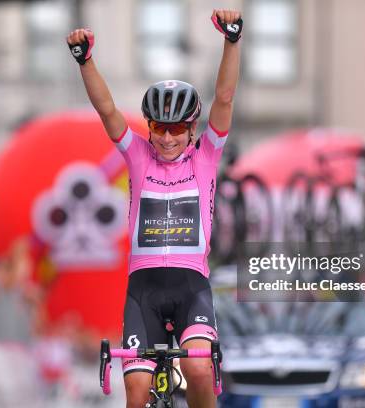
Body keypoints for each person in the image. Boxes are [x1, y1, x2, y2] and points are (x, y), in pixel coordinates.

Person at [67, 9, 242, 408]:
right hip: (143, 290)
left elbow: (226, 96)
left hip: (190, 287)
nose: (167, 138)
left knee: (198, 370)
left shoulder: (206, 157)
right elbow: (107, 110)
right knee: (137, 394)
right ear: (149, 127)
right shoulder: (138, 156)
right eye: (159, 127)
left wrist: (232, 41)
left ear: (192, 129)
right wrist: (85, 60)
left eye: (177, 128)